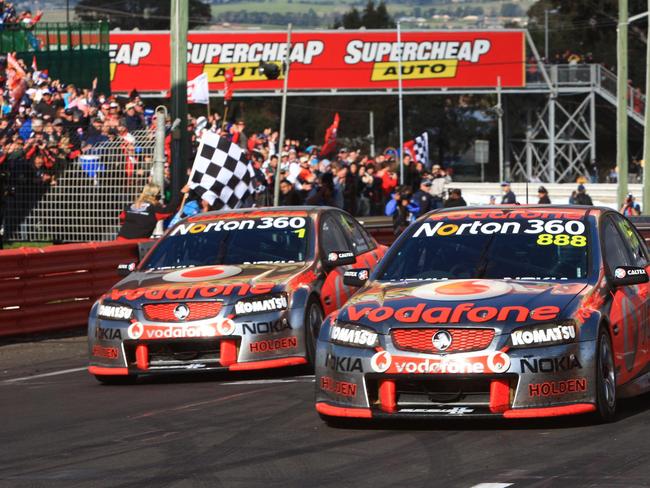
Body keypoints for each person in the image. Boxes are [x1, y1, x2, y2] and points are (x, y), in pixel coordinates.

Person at [117, 183, 183, 240]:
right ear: (154, 195)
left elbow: (122, 218)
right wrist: (181, 193)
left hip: (120, 239)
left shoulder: (130, 206)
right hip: (137, 242)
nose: (161, 195)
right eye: (159, 193)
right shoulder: (154, 209)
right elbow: (169, 210)